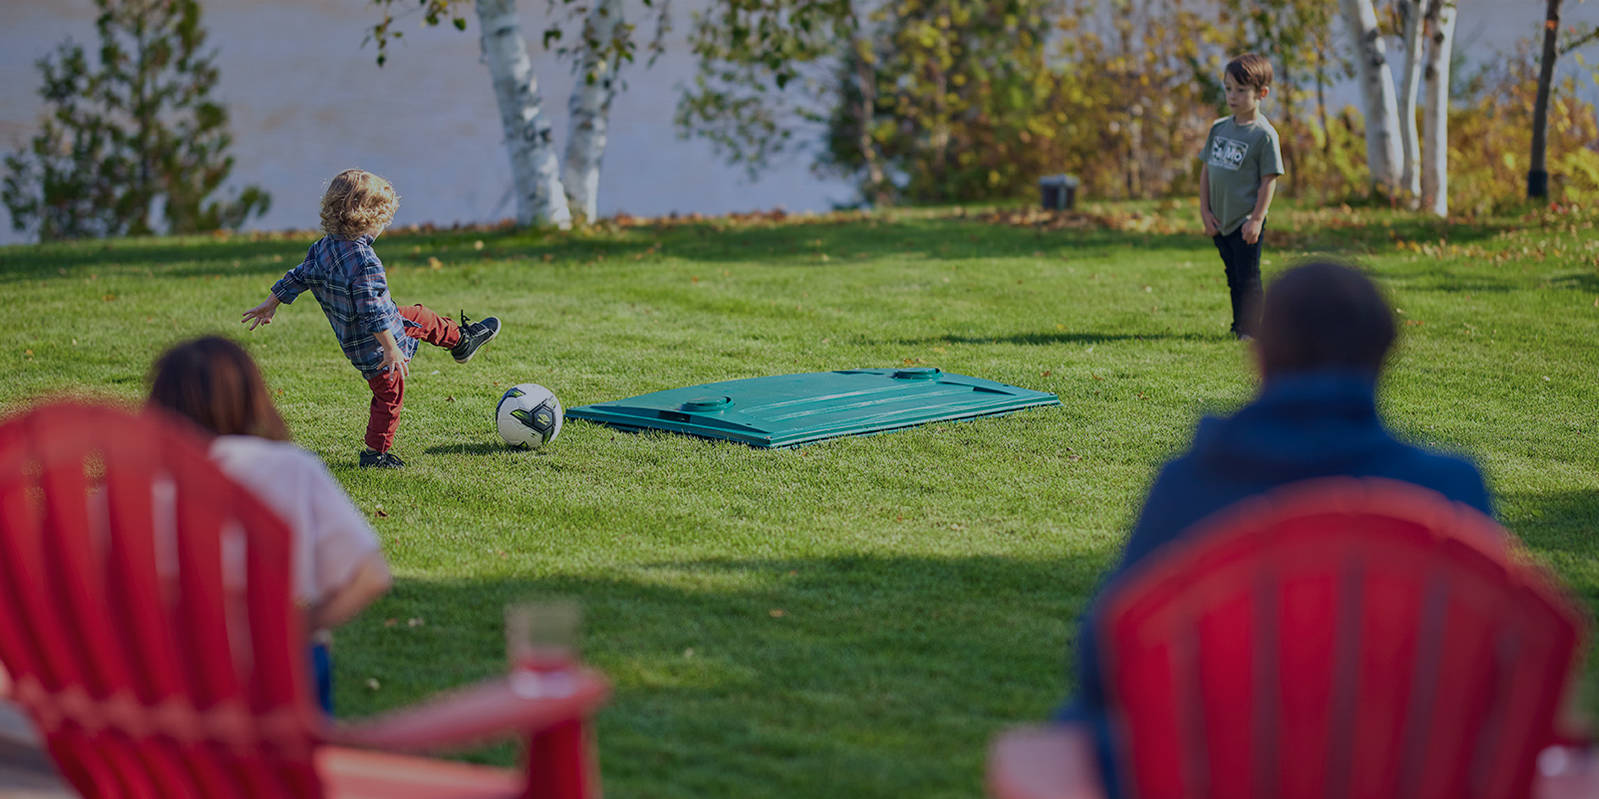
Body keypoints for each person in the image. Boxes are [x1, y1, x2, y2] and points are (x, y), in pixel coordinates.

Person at [1057, 262, 1493, 796]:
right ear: (1384, 357)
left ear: (1260, 356)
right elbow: (1496, 674)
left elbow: (1104, 657)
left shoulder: (1190, 485)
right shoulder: (1452, 489)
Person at [148, 336, 393, 713]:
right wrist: (293, 629)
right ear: (251, 397)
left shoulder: (132, 485)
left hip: (163, 684)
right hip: (276, 683)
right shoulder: (291, 468)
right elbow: (371, 577)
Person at [240, 168, 501, 468]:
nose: (384, 228)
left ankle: (462, 341)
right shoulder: (365, 261)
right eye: (384, 222)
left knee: (422, 317)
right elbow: (372, 310)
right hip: (375, 346)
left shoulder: (322, 248)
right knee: (390, 395)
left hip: (368, 333)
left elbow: (299, 276)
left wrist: (272, 302)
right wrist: (391, 348)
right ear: (369, 219)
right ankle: (375, 454)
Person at [1199, 52, 1284, 340]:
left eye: (1240, 90)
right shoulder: (1219, 128)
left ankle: (1251, 330)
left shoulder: (1265, 136)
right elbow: (1207, 171)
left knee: (1248, 278)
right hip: (1219, 220)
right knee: (1233, 275)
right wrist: (1205, 212)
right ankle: (1239, 326)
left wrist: (1256, 219)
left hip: (1245, 222)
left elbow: (1268, 180)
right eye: (1228, 89)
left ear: (1262, 93)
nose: (1232, 96)